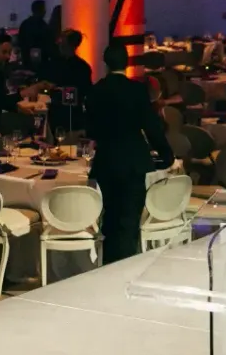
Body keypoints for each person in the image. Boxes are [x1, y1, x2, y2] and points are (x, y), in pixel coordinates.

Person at [84, 42, 173, 262]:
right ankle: (124, 267)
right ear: (126, 63)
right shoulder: (136, 90)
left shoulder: (97, 90)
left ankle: (109, 264)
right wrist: (166, 153)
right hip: (134, 160)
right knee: (129, 219)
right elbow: (150, 125)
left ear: (105, 64)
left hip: (106, 161)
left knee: (110, 218)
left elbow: (91, 129)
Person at [41, 28, 93, 136]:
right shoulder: (53, 63)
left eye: (62, 43)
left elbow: (84, 92)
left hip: (72, 114)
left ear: (71, 45)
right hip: (55, 113)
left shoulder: (82, 68)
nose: (59, 46)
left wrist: (60, 91)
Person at [15, 0, 54, 69]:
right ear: (41, 10)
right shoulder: (43, 26)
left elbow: (20, 42)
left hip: (27, 61)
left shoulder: (25, 24)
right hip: (42, 63)